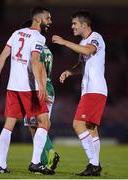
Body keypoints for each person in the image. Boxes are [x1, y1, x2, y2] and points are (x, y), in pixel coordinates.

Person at [0, 7, 54, 175]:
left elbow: (3, 55)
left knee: (8, 125)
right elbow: (34, 60)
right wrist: (40, 85)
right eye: (48, 18)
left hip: (12, 86)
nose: (50, 22)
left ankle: (2, 165)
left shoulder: (16, 33)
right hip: (28, 88)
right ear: (39, 20)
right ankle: (35, 163)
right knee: (44, 122)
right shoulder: (39, 37)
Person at [52, 10, 107, 176]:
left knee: (77, 124)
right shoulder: (84, 41)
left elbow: (88, 51)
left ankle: (94, 164)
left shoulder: (95, 37)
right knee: (91, 129)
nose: (72, 26)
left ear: (84, 24)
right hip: (90, 90)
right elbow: (82, 64)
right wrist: (69, 72)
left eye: (74, 23)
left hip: (94, 90)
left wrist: (64, 42)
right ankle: (95, 166)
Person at [21, 19, 60, 171]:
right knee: (43, 124)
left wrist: (40, 89)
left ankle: (47, 156)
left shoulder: (34, 49)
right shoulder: (46, 48)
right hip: (49, 88)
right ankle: (44, 161)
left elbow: (40, 68)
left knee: (34, 127)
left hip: (37, 89)